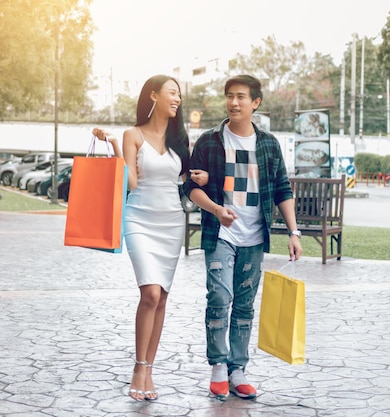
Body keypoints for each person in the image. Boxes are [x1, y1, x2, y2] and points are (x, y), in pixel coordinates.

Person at [183, 74, 303, 400]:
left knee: (245, 305)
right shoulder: (210, 141)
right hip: (220, 232)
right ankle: (218, 366)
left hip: (254, 236)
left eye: (241, 97)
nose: (234, 103)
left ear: (255, 103)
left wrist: (293, 232)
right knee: (220, 297)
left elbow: (282, 189)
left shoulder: (267, 144)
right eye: (229, 96)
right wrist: (216, 209)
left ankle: (238, 370)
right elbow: (191, 189)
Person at [92, 74, 190, 402]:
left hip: (171, 221)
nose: (177, 99)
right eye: (171, 93)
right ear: (153, 96)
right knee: (149, 292)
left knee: (161, 297)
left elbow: (184, 177)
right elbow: (132, 182)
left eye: (179, 95)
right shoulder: (132, 134)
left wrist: (196, 176)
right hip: (140, 219)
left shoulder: (181, 139)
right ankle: (138, 367)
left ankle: (149, 368)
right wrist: (116, 147)